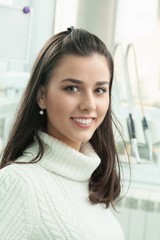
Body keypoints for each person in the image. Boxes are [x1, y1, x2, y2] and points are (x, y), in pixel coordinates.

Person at [0, 27, 124, 240]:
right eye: (72, 88)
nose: (89, 104)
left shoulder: (91, 182)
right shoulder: (17, 183)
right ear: (41, 96)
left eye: (100, 90)